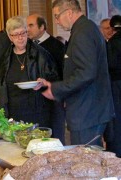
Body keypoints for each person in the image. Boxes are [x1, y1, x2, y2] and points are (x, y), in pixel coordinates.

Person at [34, 0, 114, 146]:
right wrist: (54, 85)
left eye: (57, 16)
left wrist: (56, 89)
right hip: (88, 109)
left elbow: (86, 73)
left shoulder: (83, 32)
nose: (56, 21)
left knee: (86, 162)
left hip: (87, 111)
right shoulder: (84, 28)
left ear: (69, 13)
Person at [0, 16, 58, 126]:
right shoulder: (5, 59)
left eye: (23, 33)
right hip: (13, 115)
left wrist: (44, 82)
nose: (20, 38)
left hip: (37, 112)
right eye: (16, 34)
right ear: (10, 37)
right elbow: (0, 86)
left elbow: (54, 79)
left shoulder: (41, 54)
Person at [26, 14, 66, 144]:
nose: (27, 29)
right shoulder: (28, 46)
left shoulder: (57, 46)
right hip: (36, 101)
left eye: (31, 25)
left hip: (54, 98)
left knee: (55, 137)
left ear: (42, 27)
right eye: (26, 26)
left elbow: (63, 73)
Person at [105, 15, 121, 157]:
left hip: (116, 87)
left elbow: (109, 65)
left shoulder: (112, 43)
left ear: (111, 29)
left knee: (117, 125)